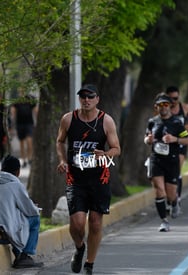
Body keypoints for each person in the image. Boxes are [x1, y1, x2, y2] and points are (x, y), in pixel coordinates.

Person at [56, 84, 121, 275]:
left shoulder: (106, 121)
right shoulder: (68, 119)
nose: (86, 100)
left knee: (94, 222)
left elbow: (117, 149)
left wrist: (106, 153)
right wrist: (62, 160)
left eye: (90, 97)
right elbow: (60, 141)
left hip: (99, 178)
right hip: (76, 178)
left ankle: (89, 265)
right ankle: (79, 247)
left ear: (97, 99)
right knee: (76, 224)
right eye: (83, 97)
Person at [0, 155, 43, 269]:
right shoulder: (16, 185)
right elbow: (30, 211)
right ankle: (24, 256)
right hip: (3, 234)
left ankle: (18, 254)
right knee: (35, 219)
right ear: (17, 171)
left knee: (15, 217)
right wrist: (35, 208)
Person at [144, 93, 188, 232]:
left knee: (170, 194)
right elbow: (146, 138)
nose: (163, 107)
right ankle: (164, 221)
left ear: (170, 106)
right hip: (156, 160)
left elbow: (186, 140)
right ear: (156, 107)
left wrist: (174, 139)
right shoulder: (152, 121)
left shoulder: (176, 123)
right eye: (160, 105)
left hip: (171, 161)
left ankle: (174, 202)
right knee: (159, 190)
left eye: (166, 104)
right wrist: (149, 140)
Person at [165, 86, 188, 208]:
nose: (173, 101)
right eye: (170, 98)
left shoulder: (185, 108)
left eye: (175, 98)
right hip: (166, 143)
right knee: (166, 171)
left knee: (176, 170)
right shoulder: (163, 108)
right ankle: (169, 197)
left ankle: (176, 200)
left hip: (180, 141)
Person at [10, 88, 38, 168]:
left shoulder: (30, 99)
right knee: (21, 142)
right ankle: (23, 159)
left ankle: (30, 158)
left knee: (29, 141)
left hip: (29, 123)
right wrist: (12, 125)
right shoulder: (17, 101)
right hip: (20, 124)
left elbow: (35, 110)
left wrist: (38, 120)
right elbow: (13, 112)